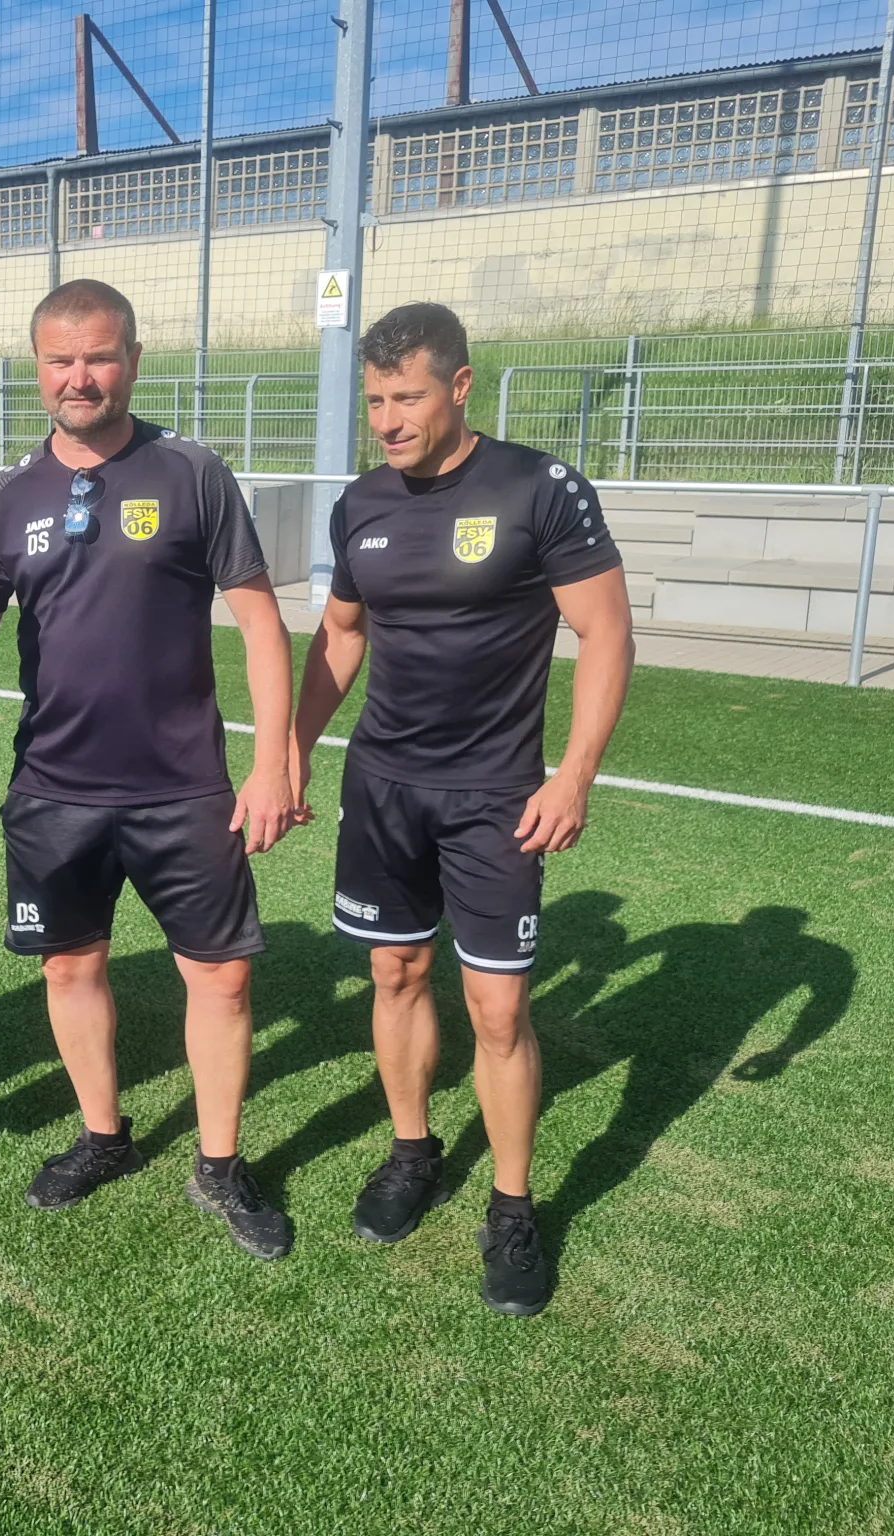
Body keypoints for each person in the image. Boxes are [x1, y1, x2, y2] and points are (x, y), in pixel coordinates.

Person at [0, 279, 298, 1260]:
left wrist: (273, 762)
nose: (80, 377)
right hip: (54, 789)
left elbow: (259, 622)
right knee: (71, 967)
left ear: (133, 360)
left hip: (184, 786)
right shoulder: (8, 496)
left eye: (100, 356)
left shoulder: (192, 472)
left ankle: (219, 1164)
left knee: (221, 981)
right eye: (60, 360)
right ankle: (102, 1135)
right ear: (37, 369)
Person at [290, 301, 633, 1317]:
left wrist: (572, 775)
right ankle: (412, 1152)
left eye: (406, 398)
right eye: (373, 401)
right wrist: (289, 752)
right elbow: (341, 635)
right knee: (394, 973)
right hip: (383, 788)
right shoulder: (360, 503)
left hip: (494, 797)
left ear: (460, 385)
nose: (387, 421)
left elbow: (605, 633)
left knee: (498, 1008)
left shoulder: (537, 489)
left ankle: (513, 1208)